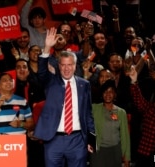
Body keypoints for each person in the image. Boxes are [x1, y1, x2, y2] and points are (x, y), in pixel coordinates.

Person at [32, 28, 95, 167]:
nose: (66, 68)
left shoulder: (84, 85)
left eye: (70, 65)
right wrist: (47, 47)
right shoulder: (51, 81)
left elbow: (88, 114)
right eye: (63, 65)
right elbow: (42, 72)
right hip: (54, 139)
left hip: (78, 140)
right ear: (58, 66)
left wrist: (91, 139)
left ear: (75, 66)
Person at [90, 79, 130, 167]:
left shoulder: (121, 112)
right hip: (98, 151)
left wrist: (127, 157)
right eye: (105, 92)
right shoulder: (94, 108)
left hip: (115, 151)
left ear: (115, 94)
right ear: (102, 94)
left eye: (111, 92)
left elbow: (125, 136)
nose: (108, 94)